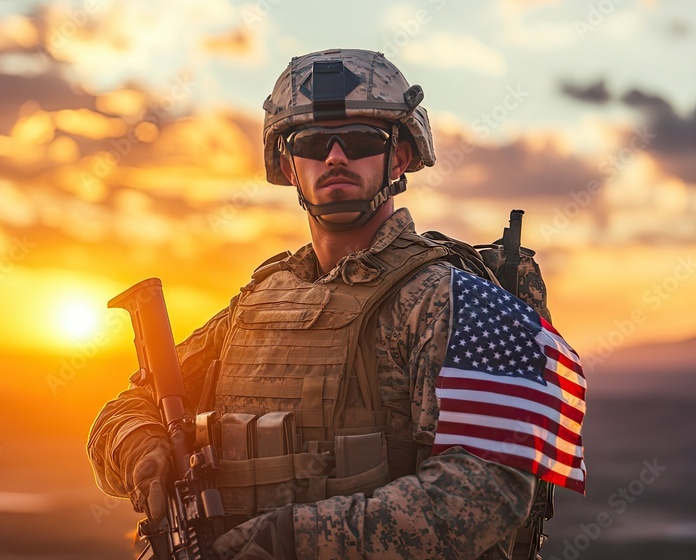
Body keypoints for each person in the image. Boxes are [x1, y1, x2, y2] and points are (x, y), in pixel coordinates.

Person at [87, 49, 586, 560]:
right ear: (287, 164)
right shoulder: (256, 305)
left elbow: (484, 495)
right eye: (312, 143)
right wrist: (139, 447)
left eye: (362, 139)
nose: (335, 157)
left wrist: (290, 541)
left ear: (400, 157)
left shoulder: (453, 300)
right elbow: (129, 407)